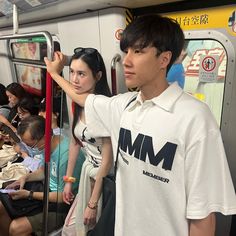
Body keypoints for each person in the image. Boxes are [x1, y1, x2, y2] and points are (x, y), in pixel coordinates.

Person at [44, 15, 236, 236]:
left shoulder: (194, 118)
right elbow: (82, 99)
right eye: (126, 51)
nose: (126, 60)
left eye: (138, 51)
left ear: (164, 59)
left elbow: (202, 217)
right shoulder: (124, 106)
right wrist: (54, 74)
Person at [57, 48, 113, 235]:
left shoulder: (103, 106)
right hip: (88, 174)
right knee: (71, 229)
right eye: (71, 72)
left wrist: (92, 203)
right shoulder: (77, 104)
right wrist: (68, 180)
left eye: (81, 74)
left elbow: (107, 161)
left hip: (105, 179)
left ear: (97, 76)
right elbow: (75, 142)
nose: (74, 79)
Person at [0, 115, 81, 235]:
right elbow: (44, 171)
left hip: (62, 205)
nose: (29, 149)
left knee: (16, 228)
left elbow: (63, 197)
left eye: (31, 145)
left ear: (44, 138)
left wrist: (29, 194)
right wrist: (25, 178)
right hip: (44, 189)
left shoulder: (66, 157)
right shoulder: (47, 147)